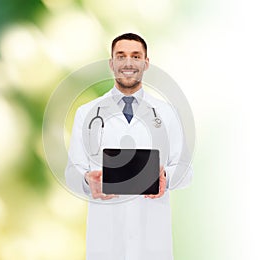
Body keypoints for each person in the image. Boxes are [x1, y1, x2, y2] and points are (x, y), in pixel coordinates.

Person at [65, 33, 193, 260]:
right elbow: (71, 172)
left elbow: (186, 171)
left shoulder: (167, 113)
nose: (128, 63)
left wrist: (165, 176)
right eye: (121, 56)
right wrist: (88, 180)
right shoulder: (87, 113)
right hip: (105, 237)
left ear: (146, 63)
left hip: (152, 237)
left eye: (136, 56)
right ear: (111, 63)